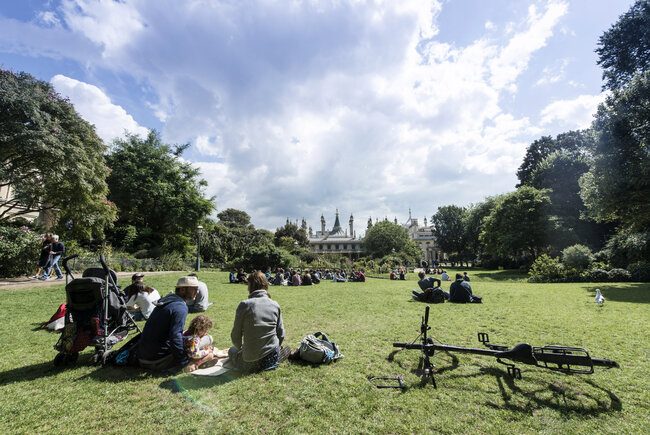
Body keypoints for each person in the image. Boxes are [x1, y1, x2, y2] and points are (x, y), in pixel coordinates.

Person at [136, 276, 199, 372]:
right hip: (157, 360)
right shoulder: (180, 307)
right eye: (194, 289)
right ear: (182, 290)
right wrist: (184, 363)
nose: (197, 291)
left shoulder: (167, 301)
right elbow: (175, 337)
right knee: (203, 340)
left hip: (144, 356)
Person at [228, 271, 288, 373]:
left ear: (250, 286)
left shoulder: (244, 305)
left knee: (232, 350)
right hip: (271, 354)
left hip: (250, 360)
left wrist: (240, 348)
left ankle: (249, 361)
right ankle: (275, 358)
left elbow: (235, 335)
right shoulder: (275, 304)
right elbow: (281, 333)